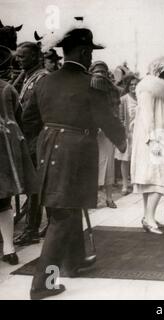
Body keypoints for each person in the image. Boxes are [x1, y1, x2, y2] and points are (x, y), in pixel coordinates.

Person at [22, 27, 126, 300]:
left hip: (49, 151)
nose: (91, 58)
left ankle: (74, 262)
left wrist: (42, 147)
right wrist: (123, 141)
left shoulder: (43, 81)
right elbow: (107, 119)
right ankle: (43, 283)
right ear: (82, 52)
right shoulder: (90, 83)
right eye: (90, 52)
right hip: (76, 153)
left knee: (67, 207)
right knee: (63, 215)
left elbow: (29, 121)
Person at [130, 57, 164, 234]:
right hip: (153, 138)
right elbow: (147, 116)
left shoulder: (163, 92)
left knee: (153, 180)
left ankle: (149, 217)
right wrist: (152, 139)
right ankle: (149, 218)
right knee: (160, 179)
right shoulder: (147, 89)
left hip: (162, 136)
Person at [0, 45, 37, 265]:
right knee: (3, 200)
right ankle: (9, 248)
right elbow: (21, 117)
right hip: (4, 150)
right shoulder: (7, 89)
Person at [13, 42, 48, 245]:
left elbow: (42, 111)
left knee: (36, 187)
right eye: (17, 56)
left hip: (38, 138)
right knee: (34, 187)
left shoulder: (43, 78)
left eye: (23, 56)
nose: (19, 59)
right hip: (27, 137)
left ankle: (31, 230)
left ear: (35, 57)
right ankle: (39, 227)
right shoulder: (27, 77)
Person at [89, 60, 120, 208]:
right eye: (97, 71)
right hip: (90, 131)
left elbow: (115, 112)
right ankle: (92, 198)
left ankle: (109, 197)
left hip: (107, 132)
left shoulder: (112, 90)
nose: (100, 74)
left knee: (108, 164)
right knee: (92, 164)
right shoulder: (86, 87)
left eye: (103, 72)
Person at [115, 73, 139, 195]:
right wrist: (124, 132)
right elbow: (120, 118)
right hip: (128, 133)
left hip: (140, 132)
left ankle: (136, 183)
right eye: (131, 84)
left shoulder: (142, 97)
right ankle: (125, 184)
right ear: (128, 86)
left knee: (137, 159)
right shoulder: (124, 99)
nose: (134, 86)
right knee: (125, 159)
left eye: (136, 84)